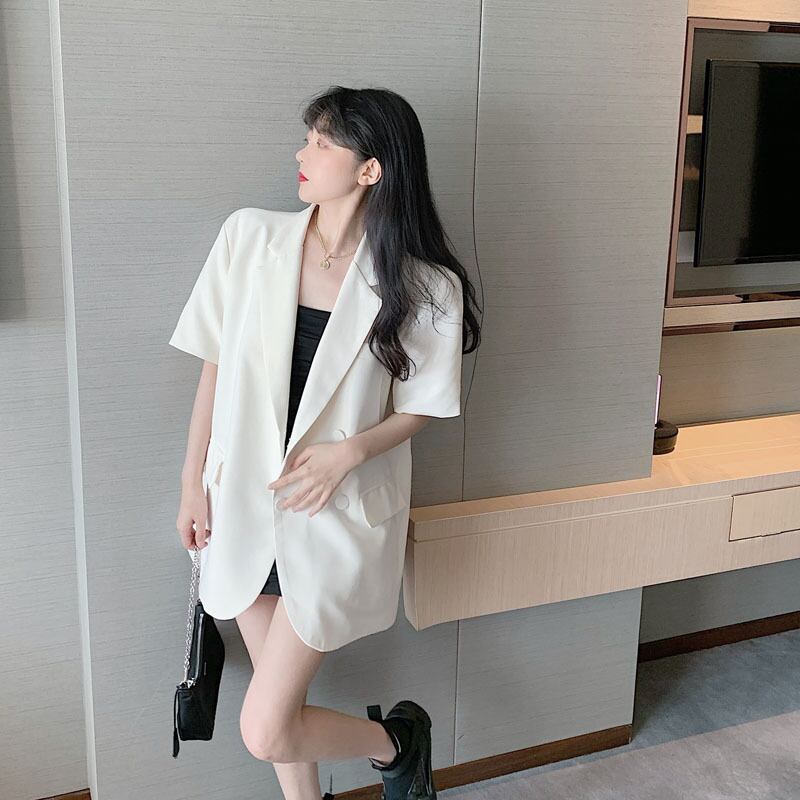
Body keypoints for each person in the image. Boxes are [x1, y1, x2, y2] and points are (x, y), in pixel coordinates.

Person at [171, 85, 481, 800]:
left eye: (321, 142)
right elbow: (214, 368)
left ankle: (397, 743)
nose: (301, 153)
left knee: (265, 728)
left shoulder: (425, 285)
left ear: (370, 169)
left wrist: (350, 452)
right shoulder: (249, 238)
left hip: (333, 511)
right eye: (308, 137)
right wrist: (191, 483)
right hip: (241, 504)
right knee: (277, 712)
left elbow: (425, 407)